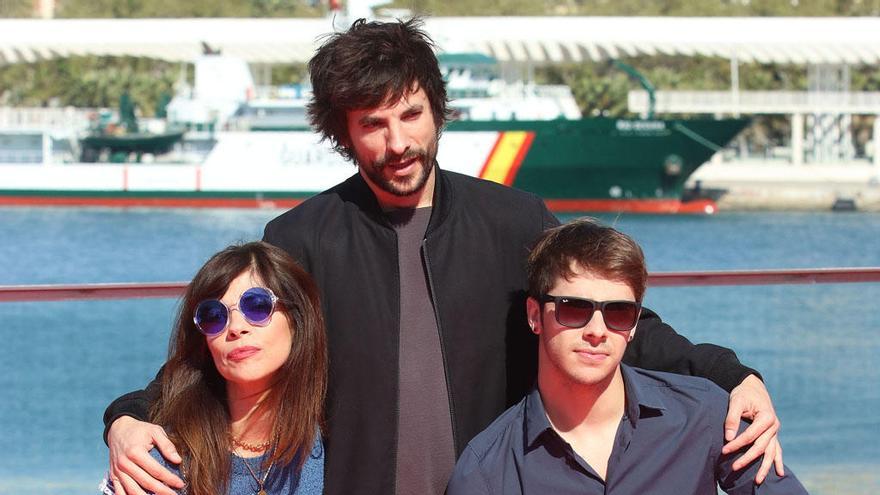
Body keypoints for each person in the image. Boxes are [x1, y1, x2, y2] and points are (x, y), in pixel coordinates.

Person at [103, 18, 783, 495]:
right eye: (372, 123)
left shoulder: (513, 219)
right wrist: (127, 418)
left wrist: (733, 374)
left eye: (411, 114)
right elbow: (212, 364)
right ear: (343, 133)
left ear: (438, 110)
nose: (397, 141)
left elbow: (603, 319)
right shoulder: (300, 237)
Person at [447, 218, 807, 494]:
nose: (597, 330)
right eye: (575, 309)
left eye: (618, 312)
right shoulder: (487, 472)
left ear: (635, 324)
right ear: (534, 315)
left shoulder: (705, 416)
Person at [101, 242, 325, 494]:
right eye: (214, 316)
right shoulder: (160, 465)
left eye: (257, 306)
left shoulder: (333, 444)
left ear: (297, 320)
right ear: (204, 342)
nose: (236, 327)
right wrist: (122, 421)